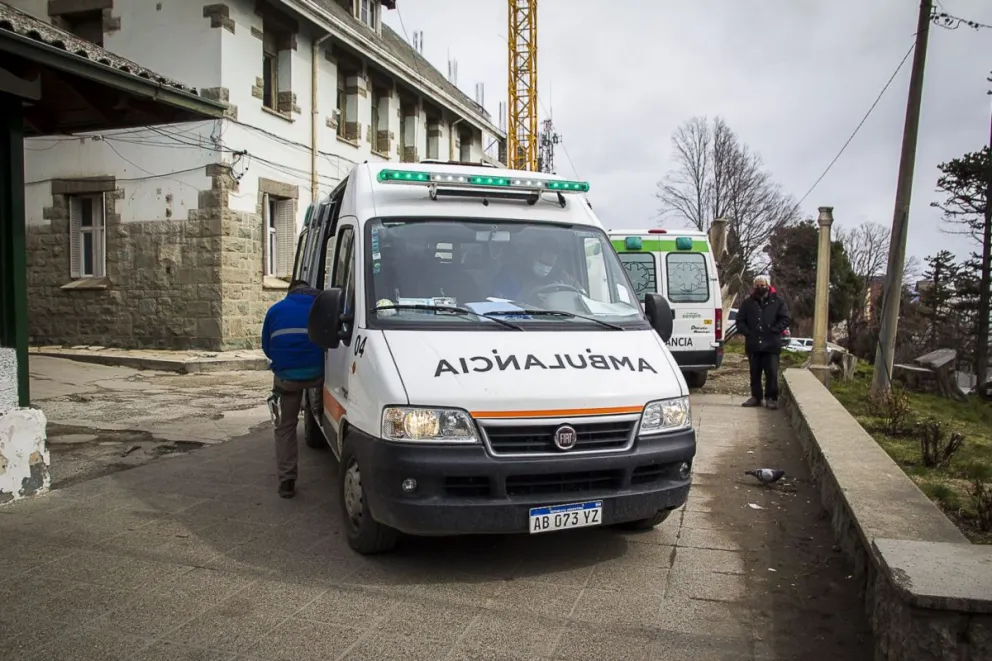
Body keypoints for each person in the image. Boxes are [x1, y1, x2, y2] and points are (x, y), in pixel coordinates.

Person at [261, 279, 325, 498]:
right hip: (318, 376)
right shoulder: (321, 309)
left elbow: (267, 348)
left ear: (290, 293)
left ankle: (287, 481)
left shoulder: (275, 310)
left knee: (285, 427)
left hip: (286, 378)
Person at [735, 275, 791, 410]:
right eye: (758, 285)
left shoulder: (778, 302)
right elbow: (740, 320)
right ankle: (756, 397)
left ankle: (771, 398)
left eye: (763, 285)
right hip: (754, 344)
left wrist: (774, 330)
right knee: (754, 372)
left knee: (771, 373)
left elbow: (785, 318)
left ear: (768, 285)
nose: (760, 288)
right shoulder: (748, 302)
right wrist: (747, 331)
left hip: (771, 344)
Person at [493, 239, 578, 302]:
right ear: (532, 256)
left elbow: (582, 296)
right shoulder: (510, 275)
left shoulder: (562, 276)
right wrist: (532, 292)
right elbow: (501, 303)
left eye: (550, 264)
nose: (546, 268)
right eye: (542, 262)